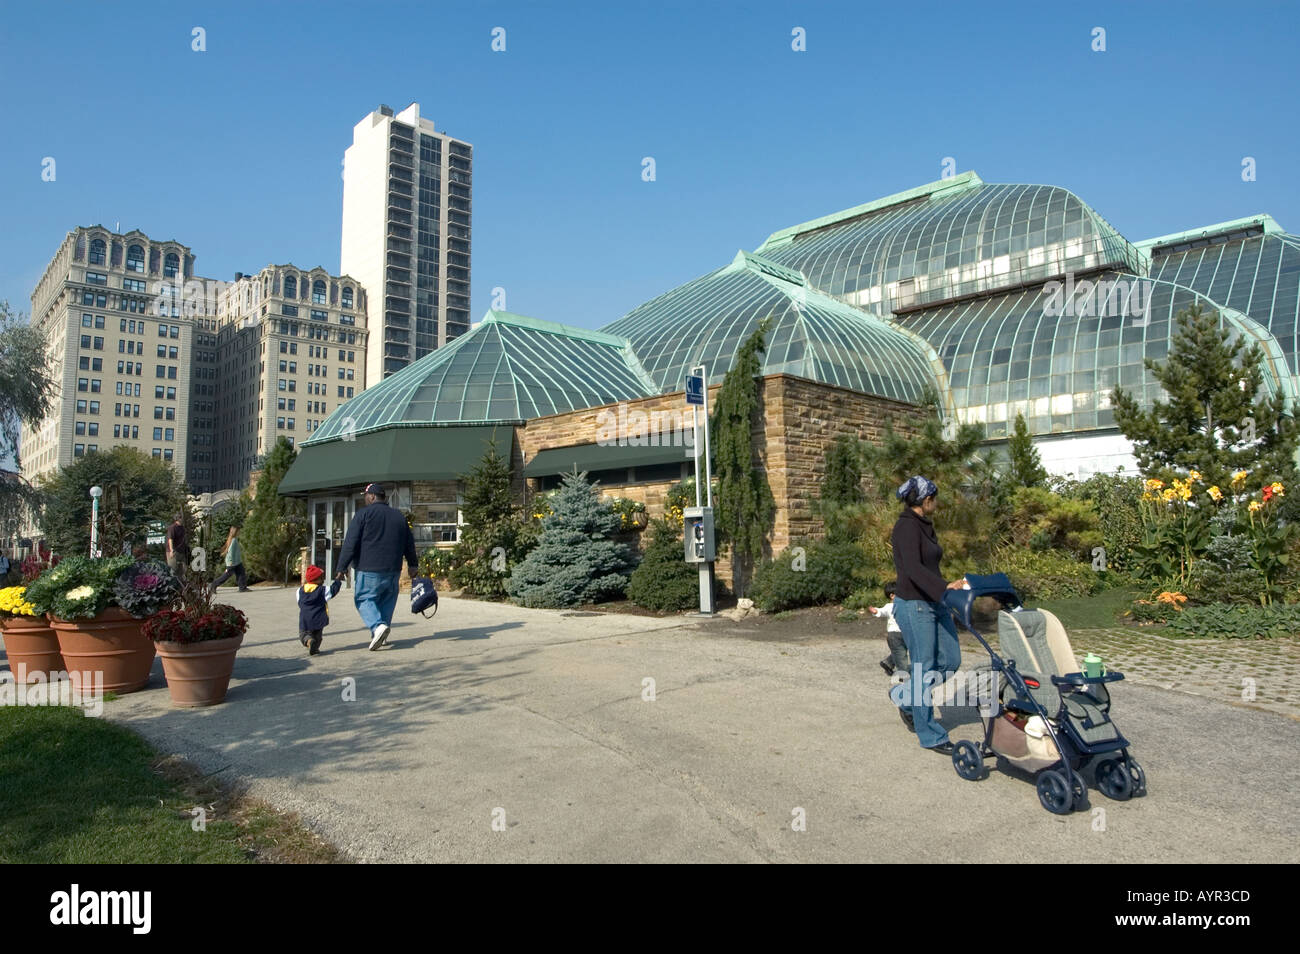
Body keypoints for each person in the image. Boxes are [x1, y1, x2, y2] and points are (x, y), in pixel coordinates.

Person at [889, 475, 967, 754]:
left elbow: (928, 568)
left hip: (935, 602)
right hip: (915, 605)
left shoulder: (924, 525)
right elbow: (912, 568)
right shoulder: (906, 527)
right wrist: (944, 586)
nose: (937, 502)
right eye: (935, 497)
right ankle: (929, 733)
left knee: (951, 660)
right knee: (924, 670)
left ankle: (906, 698)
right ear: (926, 500)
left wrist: (948, 589)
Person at [333, 482, 418, 651]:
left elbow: (351, 543)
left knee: (364, 598)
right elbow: (409, 543)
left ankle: (377, 627)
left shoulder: (363, 515)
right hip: (393, 569)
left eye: (366, 496)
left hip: (369, 569)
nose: (365, 499)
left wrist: (342, 567)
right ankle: (381, 634)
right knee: (386, 600)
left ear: (372, 496)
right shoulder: (399, 516)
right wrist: (413, 564)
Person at [297, 564, 342, 656]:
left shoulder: (299, 591)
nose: (323, 580)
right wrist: (338, 578)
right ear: (316, 580)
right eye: (321, 578)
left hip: (305, 621)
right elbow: (334, 590)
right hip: (319, 619)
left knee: (304, 635)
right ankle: (315, 646)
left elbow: (299, 603)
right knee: (318, 637)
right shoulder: (322, 590)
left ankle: (309, 642)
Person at [868, 581, 909, 677]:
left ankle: (888, 663)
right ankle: (903, 677)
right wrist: (875, 611)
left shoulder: (905, 605)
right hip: (894, 635)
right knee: (901, 655)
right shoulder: (889, 606)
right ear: (892, 596)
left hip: (905, 634)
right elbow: (881, 611)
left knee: (899, 652)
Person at [210, 523, 249, 593]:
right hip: (232, 562)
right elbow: (230, 552)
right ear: (236, 532)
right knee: (227, 575)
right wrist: (230, 562)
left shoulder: (233, 539)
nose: (240, 532)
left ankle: (242, 588)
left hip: (237, 561)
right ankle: (214, 584)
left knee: (241, 572)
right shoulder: (233, 541)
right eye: (239, 531)